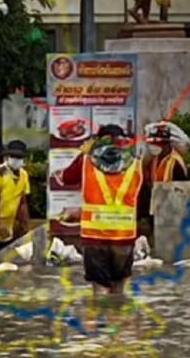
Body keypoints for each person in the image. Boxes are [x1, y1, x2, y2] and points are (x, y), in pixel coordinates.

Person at [56, 124, 144, 298]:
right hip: (123, 238)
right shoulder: (135, 165)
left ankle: (101, 316)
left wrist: (83, 153)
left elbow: (67, 178)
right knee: (119, 290)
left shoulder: (86, 162)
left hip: (94, 238)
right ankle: (118, 315)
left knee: (100, 291)